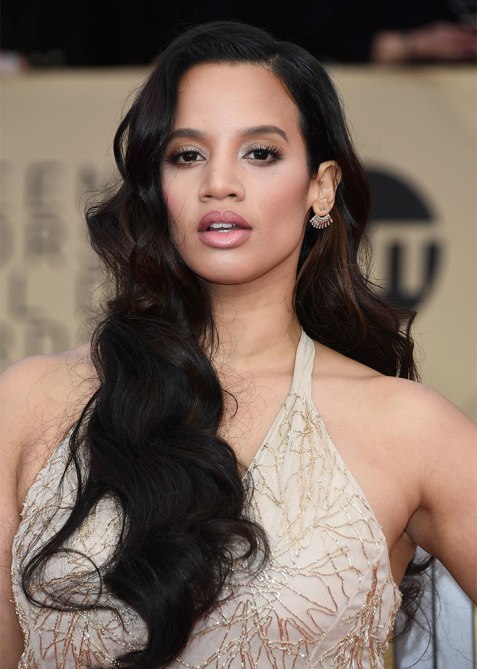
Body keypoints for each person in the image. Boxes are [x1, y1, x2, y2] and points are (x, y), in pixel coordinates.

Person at [0, 20, 476, 669]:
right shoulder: (28, 403)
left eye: (259, 153)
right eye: (186, 155)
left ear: (321, 186)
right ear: (155, 186)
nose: (218, 183)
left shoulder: (406, 428)